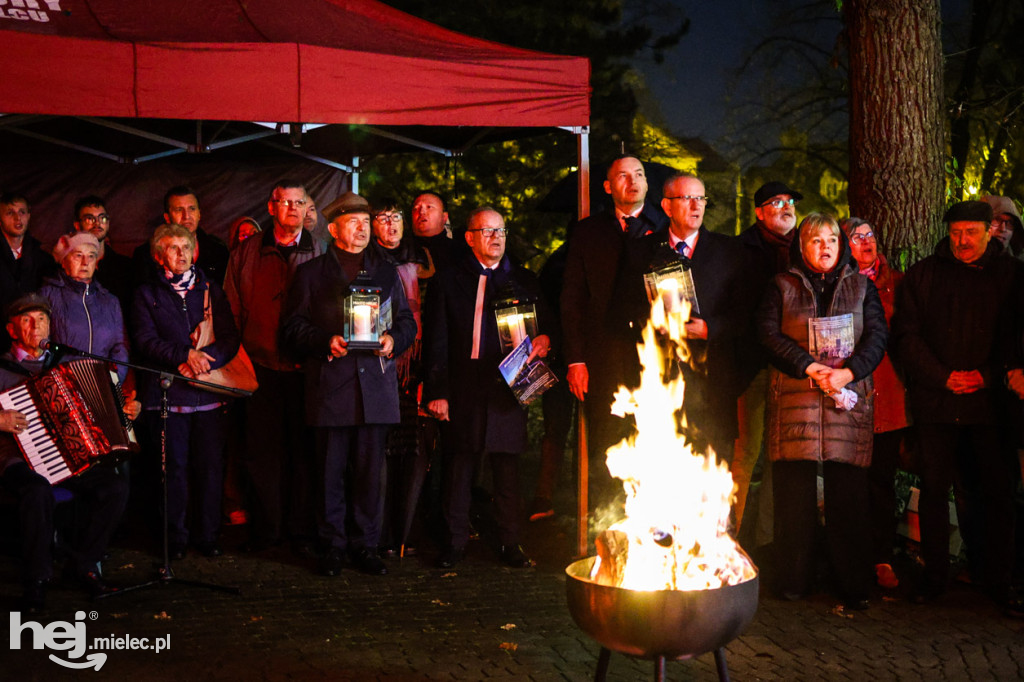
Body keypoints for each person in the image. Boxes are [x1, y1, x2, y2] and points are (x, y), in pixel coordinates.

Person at [892, 200, 1024, 614]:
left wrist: (987, 375)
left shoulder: (1011, 275)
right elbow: (907, 335)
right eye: (955, 233)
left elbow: (1016, 335)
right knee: (933, 490)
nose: (962, 241)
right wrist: (942, 376)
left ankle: (998, 577)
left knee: (998, 491)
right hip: (937, 400)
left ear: (990, 231)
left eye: (970, 233)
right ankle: (934, 576)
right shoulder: (924, 275)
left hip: (991, 403)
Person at [282, 193, 416, 577]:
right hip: (331, 387)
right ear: (334, 228)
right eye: (354, 222)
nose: (363, 229)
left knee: (370, 475)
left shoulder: (386, 272)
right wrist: (325, 341)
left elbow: (406, 322)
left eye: (366, 222)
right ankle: (333, 546)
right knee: (330, 473)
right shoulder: (311, 273)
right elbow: (292, 327)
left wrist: (394, 340)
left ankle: (366, 546)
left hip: (375, 388)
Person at [757, 212, 887, 609]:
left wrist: (848, 373)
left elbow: (877, 337)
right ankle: (793, 580)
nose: (825, 247)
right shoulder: (782, 285)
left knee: (848, 497)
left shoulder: (862, 286)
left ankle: (852, 584)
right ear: (801, 247)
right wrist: (808, 366)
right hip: (796, 400)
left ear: (841, 245)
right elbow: (767, 333)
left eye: (831, 239)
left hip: (845, 401)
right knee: (793, 499)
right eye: (815, 240)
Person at [424, 207, 551, 568]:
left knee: (507, 469)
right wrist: (437, 391)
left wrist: (545, 340)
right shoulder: (448, 280)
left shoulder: (525, 280)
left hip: (509, 385)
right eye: (487, 231)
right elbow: (436, 339)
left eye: (501, 231)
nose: (496, 238)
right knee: (459, 466)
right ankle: (454, 543)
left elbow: (546, 328)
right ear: (469, 237)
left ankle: (510, 542)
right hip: (463, 383)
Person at [0, 294, 133, 611]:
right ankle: (37, 579)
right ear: (12, 329)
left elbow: (99, 405)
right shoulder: (2, 368)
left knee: (114, 487)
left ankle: (83, 564)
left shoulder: (64, 365)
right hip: (15, 459)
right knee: (37, 491)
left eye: (42, 319)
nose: (36, 326)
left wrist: (125, 411)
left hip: (68, 458)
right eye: (26, 320)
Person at [223, 180, 325, 554]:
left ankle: (300, 532)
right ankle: (266, 531)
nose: (293, 209)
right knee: (261, 454)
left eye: (300, 202)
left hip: (305, 370)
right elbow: (230, 311)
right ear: (271, 207)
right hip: (259, 368)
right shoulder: (246, 253)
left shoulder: (321, 251)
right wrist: (239, 363)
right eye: (285, 202)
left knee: (303, 452)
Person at [560, 155, 669, 504]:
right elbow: (572, 298)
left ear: (648, 183)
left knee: (657, 439)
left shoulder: (666, 225)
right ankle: (604, 522)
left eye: (639, 174)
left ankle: (654, 520)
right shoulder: (588, 231)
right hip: (602, 353)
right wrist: (576, 359)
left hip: (655, 352)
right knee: (605, 441)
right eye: (623, 176)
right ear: (608, 187)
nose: (632, 181)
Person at [131, 224, 240, 560]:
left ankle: (207, 535)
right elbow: (144, 340)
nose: (181, 254)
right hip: (167, 397)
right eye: (173, 247)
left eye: (186, 247)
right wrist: (183, 355)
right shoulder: (145, 293)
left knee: (209, 468)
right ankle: (175, 537)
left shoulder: (210, 289)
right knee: (173, 470)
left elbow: (230, 337)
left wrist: (207, 359)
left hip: (208, 394)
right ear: (158, 255)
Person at [625, 173, 746, 464]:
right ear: (667, 206)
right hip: (658, 380)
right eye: (687, 198)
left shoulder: (730, 251)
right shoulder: (641, 251)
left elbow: (747, 313)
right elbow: (625, 307)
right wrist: (653, 323)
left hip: (712, 386)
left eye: (701, 199)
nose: (696, 205)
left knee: (714, 472)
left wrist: (709, 329)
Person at [840, 217, 910, 590]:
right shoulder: (837, 283)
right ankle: (850, 558)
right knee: (850, 483)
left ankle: (882, 556)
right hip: (848, 396)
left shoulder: (899, 283)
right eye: (856, 237)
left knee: (882, 481)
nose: (866, 241)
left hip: (888, 393)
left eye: (869, 235)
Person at [732, 181, 804, 539]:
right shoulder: (740, 249)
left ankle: (771, 540)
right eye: (777, 202)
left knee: (784, 456)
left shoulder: (805, 247)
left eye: (790, 202)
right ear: (759, 212)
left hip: (795, 366)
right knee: (745, 452)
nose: (786, 207)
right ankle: (727, 537)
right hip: (753, 366)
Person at [371, 199, 428, 551]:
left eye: (396, 217)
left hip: (416, 370)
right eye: (383, 218)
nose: (391, 224)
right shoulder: (366, 261)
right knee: (379, 454)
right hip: (379, 367)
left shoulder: (423, 260)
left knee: (412, 453)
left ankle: (404, 534)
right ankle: (377, 535)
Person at [39, 232, 130, 382]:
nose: (85, 262)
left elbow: (119, 347)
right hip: (63, 385)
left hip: (101, 385)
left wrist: (113, 381)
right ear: (64, 261)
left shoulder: (110, 301)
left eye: (91, 256)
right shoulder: (48, 295)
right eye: (78, 255)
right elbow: (39, 344)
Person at [133, 186, 230, 286]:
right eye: (179, 210)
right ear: (167, 217)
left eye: (192, 209)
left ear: (199, 214)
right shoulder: (146, 255)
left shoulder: (218, 251)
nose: (186, 216)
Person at [71, 195, 135, 307]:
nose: (97, 223)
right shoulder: (67, 268)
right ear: (77, 225)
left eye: (102, 218)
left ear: (108, 223)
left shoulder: (126, 267)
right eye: (89, 219)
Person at [0, 193, 56, 315]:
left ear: (29, 216)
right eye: (10, 213)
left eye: (22, 212)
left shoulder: (43, 259)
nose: (17, 218)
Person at [980, 194, 1024, 259]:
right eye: (997, 219)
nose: (1003, 229)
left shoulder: (1019, 262)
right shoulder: (966, 259)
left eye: (1010, 223)